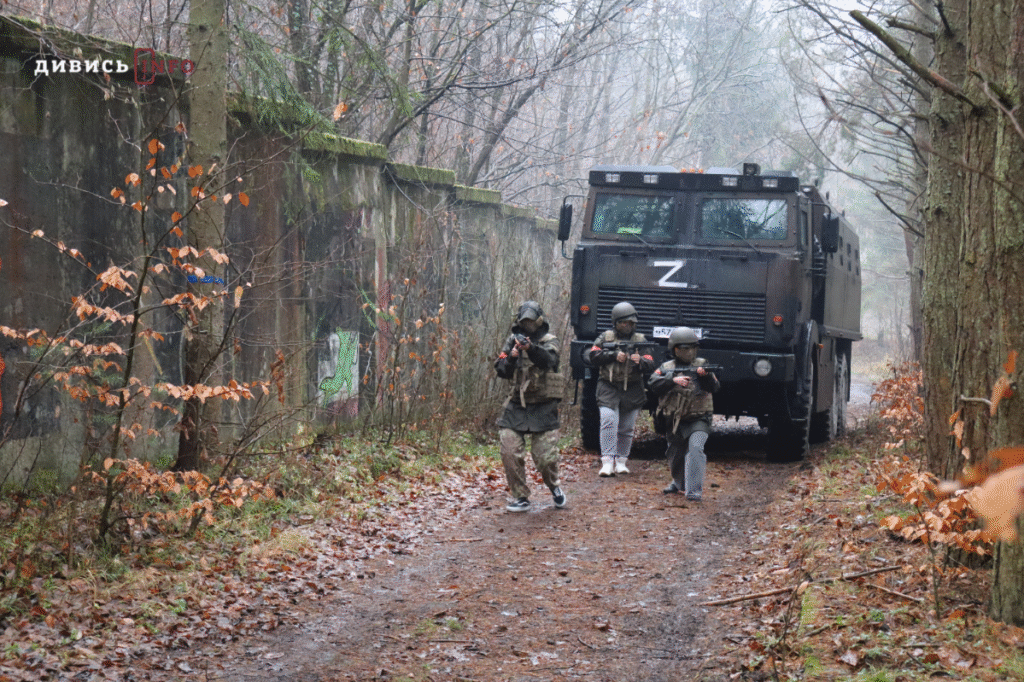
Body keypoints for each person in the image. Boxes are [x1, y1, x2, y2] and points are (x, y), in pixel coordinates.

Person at [494, 301, 566, 512]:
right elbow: (500, 367)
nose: (528, 325)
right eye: (524, 321)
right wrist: (511, 358)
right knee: (509, 450)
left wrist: (531, 348)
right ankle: (520, 496)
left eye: (531, 321)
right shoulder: (511, 342)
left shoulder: (550, 341)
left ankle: (554, 487)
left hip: (543, 406)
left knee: (545, 458)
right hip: (517, 405)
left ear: (539, 321)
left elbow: (549, 360)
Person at [648, 326, 720, 501]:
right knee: (675, 454)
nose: (689, 352)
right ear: (675, 349)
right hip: (674, 420)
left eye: (693, 348)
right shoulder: (666, 367)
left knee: (696, 449)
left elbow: (715, 387)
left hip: (699, 419)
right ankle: (678, 483)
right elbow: (652, 384)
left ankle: (694, 491)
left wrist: (705, 377)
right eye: (684, 349)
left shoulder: (703, 365)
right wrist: (672, 380)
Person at [587, 301, 656, 477]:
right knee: (608, 421)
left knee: (626, 427)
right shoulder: (605, 337)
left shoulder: (640, 340)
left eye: (630, 323)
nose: (627, 326)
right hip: (608, 386)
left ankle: (622, 461)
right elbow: (592, 355)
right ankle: (607, 461)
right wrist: (612, 355)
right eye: (623, 322)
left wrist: (639, 361)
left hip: (632, 389)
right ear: (616, 322)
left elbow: (650, 362)